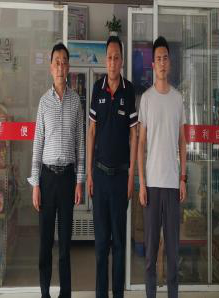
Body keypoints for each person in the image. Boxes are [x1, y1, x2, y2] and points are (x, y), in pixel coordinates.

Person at [28, 42, 85, 298]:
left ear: (68, 67)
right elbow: (37, 144)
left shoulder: (76, 103)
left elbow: (80, 144)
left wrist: (79, 181)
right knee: (45, 244)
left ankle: (65, 294)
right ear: (51, 68)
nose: (60, 67)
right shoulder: (43, 103)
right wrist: (35, 184)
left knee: (65, 246)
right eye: (56, 62)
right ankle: (44, 293)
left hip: (68, 179)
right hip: (47, 179)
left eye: (64, 62)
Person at [87, 35, 138, 298]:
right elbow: (91, 131)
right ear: (104, 60)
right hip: (100, 175)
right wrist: (89, 174)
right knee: (100, 246)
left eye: (117, 57)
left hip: (120, 179)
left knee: (118, 243)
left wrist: (131, 176)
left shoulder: (129, 91)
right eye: (109, 57)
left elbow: (134, 135)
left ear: (122, 61)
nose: (113, 61)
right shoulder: (97, 88)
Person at [137, 36, 187, 298]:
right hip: (152, 186)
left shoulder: (178, 99)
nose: (162, 62)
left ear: (170, 62)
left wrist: (183, 178)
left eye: (165, 58)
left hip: (172, 185)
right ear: (153, 64)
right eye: (158, 58)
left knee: (173, 253)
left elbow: (182, 141)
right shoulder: (146, 99)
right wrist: (141, 183)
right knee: (150, 253)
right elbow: (141, 143)